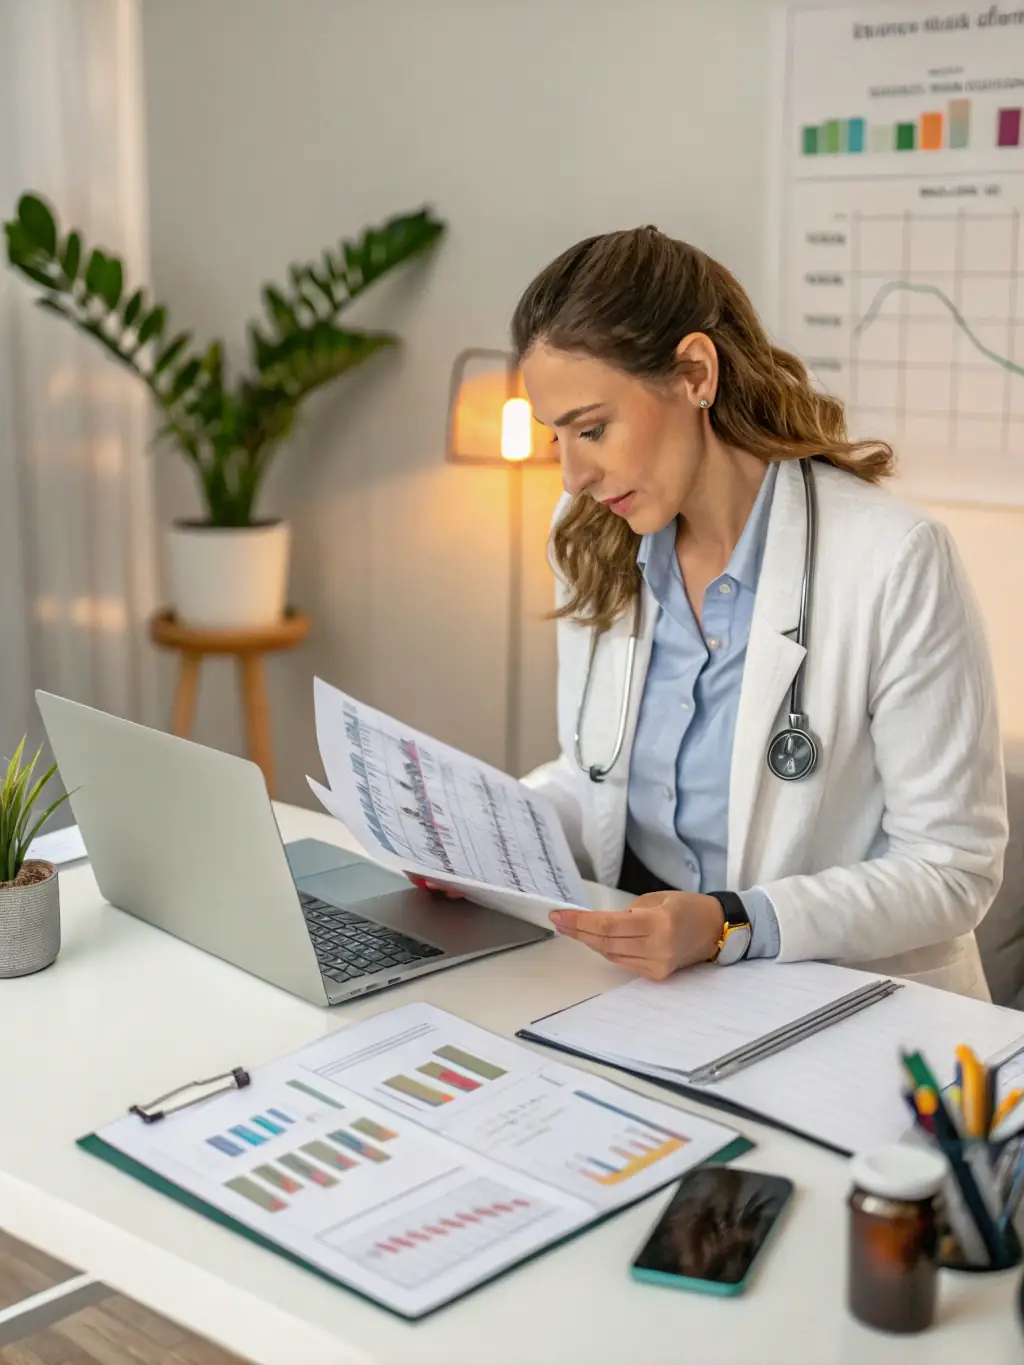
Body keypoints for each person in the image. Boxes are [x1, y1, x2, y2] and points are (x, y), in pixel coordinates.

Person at [504, 225, 1006, 1000]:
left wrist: (733, 921)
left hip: (852, 1004)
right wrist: (493, 827)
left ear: (695, 373)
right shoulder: (592, 541)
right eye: (559, 437)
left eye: (593, 428)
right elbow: (594, 777)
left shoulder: (893, 559)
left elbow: (951, 870)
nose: (573, 476)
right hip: (656, 992)